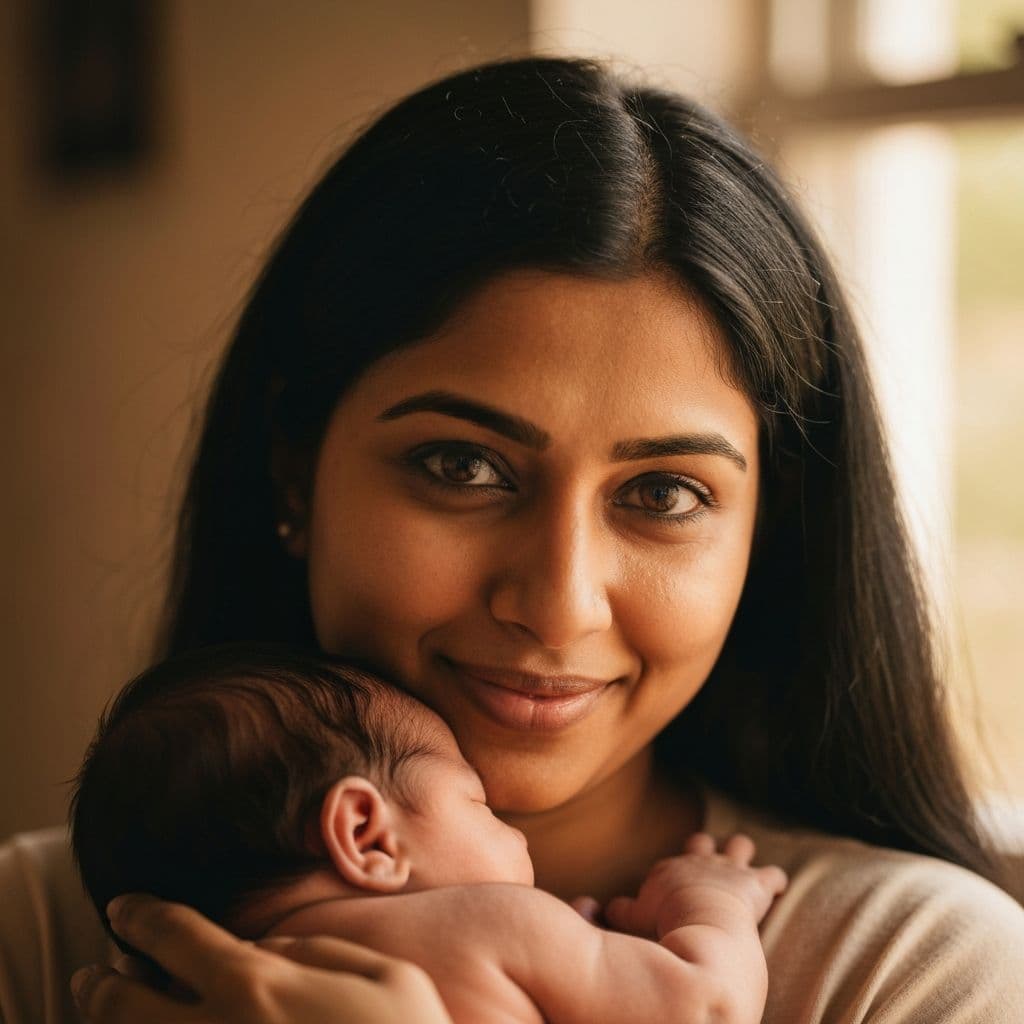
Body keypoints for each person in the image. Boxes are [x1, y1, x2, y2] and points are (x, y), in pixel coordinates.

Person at [71, 55, 1024, 1024]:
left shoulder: (917, 971)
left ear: (763, 535)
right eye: (462, 466)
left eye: (663, 490)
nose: (559, 600)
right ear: (293, 471)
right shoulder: (38, 929)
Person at [70, 644, 789, 1024]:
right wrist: (707, 899)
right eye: (476, 802)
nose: (512, 829)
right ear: (367, 836)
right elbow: (708, 1008)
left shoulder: (182, 997)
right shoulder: (486, 923)